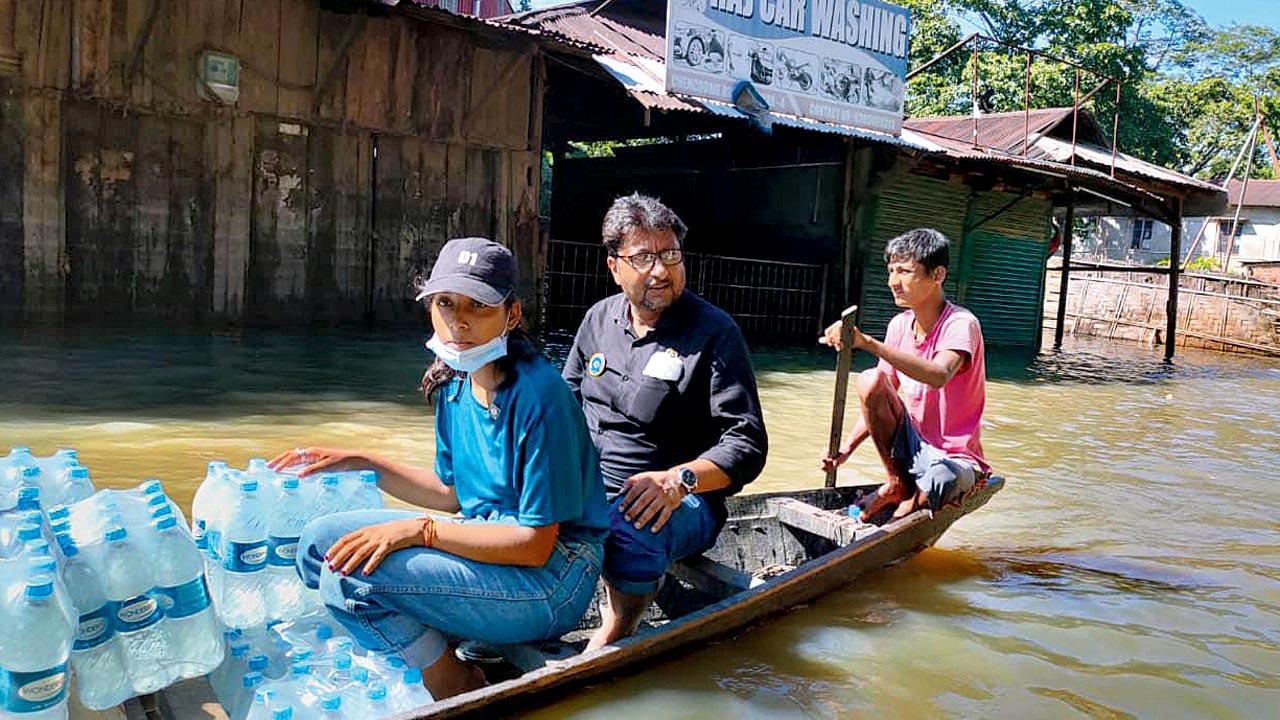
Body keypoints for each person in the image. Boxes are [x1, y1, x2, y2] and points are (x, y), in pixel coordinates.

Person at [269, 237, 609, 700]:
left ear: (512, 315)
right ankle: (431, 637)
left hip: (555, 575)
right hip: (483, 534)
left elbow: (534, 544)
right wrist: (362, 462)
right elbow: (451, 492)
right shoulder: (452, 381)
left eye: (478, 307)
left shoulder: (540, 396)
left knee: (347, 578)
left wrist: (420, 532)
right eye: (445, 303)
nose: (458, 321)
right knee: (317, 547)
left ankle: (452, 681)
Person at [563, 193, 768, 651]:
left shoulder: (713, 332)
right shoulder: (598, 319)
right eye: (643, 257)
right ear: (614, 266)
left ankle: (620, 623)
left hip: (681, 500)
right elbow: (566, 404)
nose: (661, 270)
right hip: (593, 486)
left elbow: (747, 442)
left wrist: (679, 481)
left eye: (670, 255)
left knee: (633, 527)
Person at [819, 228, 989, 520]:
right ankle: (897, 483)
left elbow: (938, 375)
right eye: (891, 271)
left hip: (954, 458)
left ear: (937, 275)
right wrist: (846, 448)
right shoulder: (899, 325)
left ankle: (909, 500)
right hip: (911, 448)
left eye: (905, 271)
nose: (893, 282)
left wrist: (868, 343)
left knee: (939, 480)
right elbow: (877, 394)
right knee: (870, 378)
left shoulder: (961, 324)